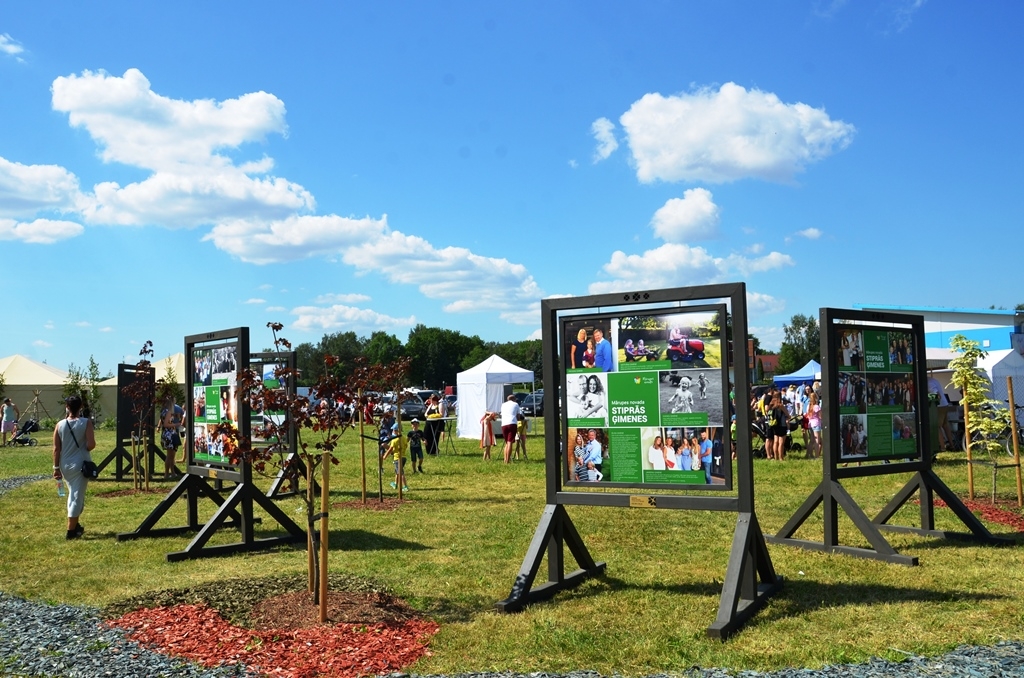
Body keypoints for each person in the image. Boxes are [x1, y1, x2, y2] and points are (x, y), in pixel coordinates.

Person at [53, 395, 96, 540]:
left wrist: (56, 467)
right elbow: (91, 445)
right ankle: (71, 531)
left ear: (67, 407)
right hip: (80, 464)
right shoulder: (86, 422)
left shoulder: (59, 425)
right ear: (81, 407)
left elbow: (56, 449)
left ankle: (76, 525)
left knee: (75, 494)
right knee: (76, 497)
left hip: (65, 464)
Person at [160, 395, 185, 479]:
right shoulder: (168, 412)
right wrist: (176, 424)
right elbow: (166, 424)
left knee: (172, 455)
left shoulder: (164, 411)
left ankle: (173, 472)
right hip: (169, 434)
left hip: (168, 434)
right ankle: (166, 474)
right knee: (170, 455)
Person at [386, 422, 408, 491]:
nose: (393, 432)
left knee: (401, 472)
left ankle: (405, 486)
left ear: (396, 431)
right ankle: (395, 484)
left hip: (397, 458)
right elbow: (406, 446)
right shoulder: (404, 438)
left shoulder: (394, 440)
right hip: (404, 457)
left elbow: (390, 449)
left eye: (393, 430)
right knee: (397, 471)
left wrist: (385, 456)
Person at [500, 394, 521, 464]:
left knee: (506, 442)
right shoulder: (516, 404)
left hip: (504, 424)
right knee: (510, 442)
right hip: (512, 423)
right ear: (514, 399)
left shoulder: (503, 405)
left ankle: (505, 459)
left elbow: (502, 414)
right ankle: (508, 460)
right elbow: (518, 416)